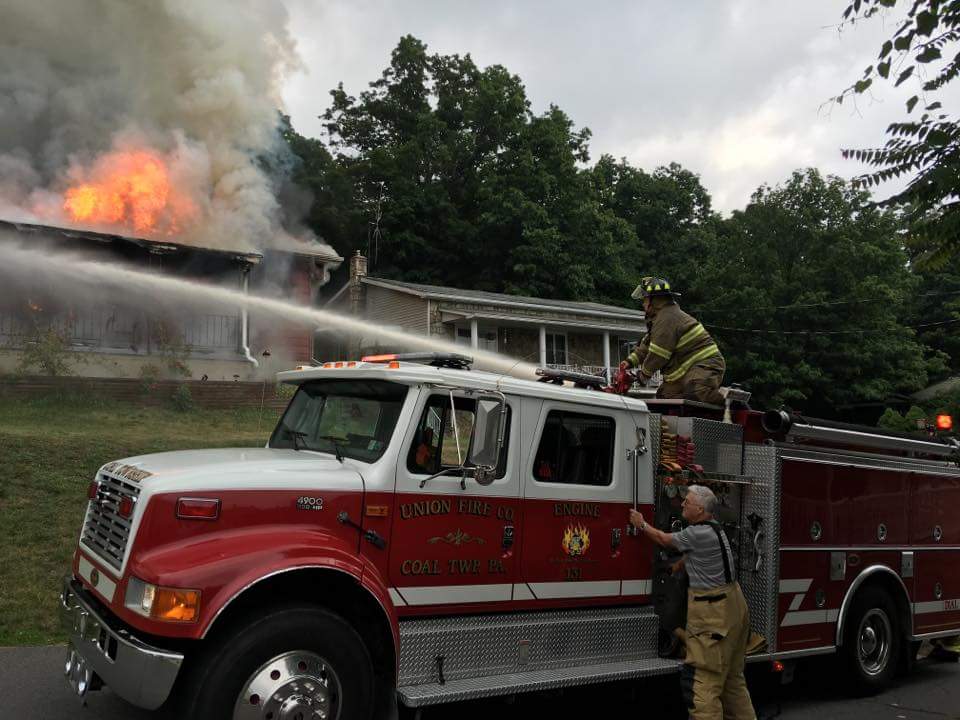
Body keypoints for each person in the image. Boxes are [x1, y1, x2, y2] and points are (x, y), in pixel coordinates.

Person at [629, 485, 755, 720]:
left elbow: (663, 539)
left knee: (702, 681)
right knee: (732, 683)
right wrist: (678, 565)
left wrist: (641, 524)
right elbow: (696, 553)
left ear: (699, 509)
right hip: (734, 609)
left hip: (713, 615)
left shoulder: (696, 534)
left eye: (687, 501)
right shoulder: (715, 529)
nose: (683, 503)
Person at [620, 276, 725, 405]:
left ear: (655, 300)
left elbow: (658, 354)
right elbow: (646, 347)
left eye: (645, 299)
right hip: (685, 369)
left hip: (706, 363)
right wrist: (628, 362)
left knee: (696, 392)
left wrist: (643, 375)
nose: (643, 303)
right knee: (665, 400)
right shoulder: (659, 319)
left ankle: (729, 402)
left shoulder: (668, 318)